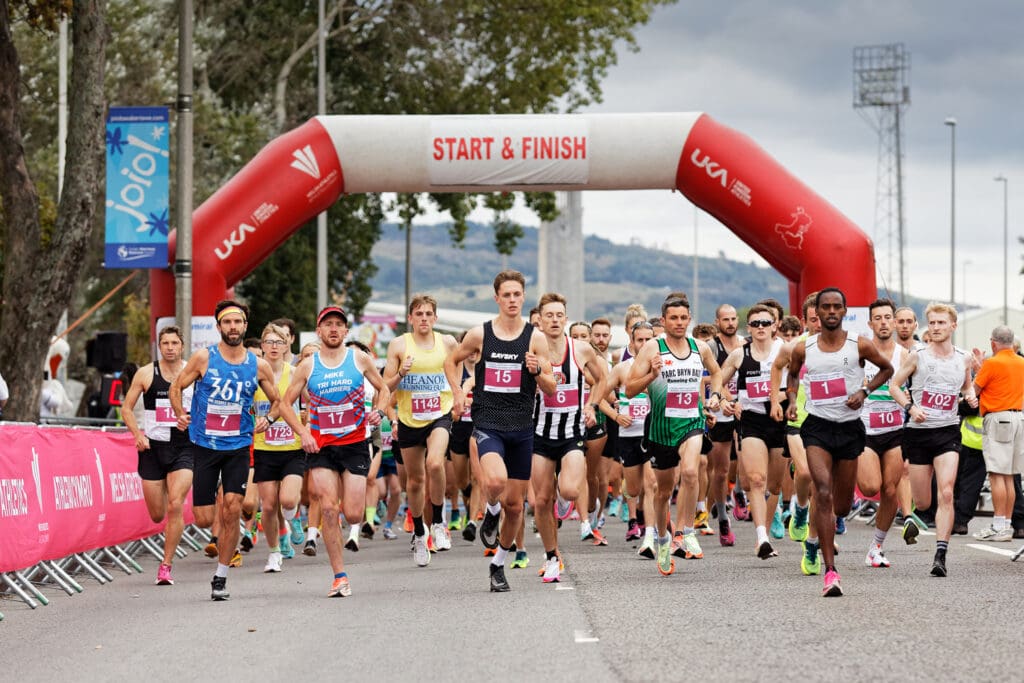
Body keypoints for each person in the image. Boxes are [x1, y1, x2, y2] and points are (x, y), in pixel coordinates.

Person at [170, 300, 314, 601]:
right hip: (205, 444)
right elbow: (176, 387)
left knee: (234, 506)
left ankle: (221, 576)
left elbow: (279, 400)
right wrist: (179, 413)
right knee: (204, 518)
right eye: (227, 323)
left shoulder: (257, 365)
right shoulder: (202, 358)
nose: (233, 327)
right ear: (219, 327)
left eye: (238, 322)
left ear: (245, 326)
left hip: (238, 445)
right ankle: (221, 538)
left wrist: (269, 418)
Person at [775, 288, 893, 596]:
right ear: (818, 313)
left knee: (840, 505)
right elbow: (792, 376)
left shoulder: (860, 345)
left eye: (835, 307)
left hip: (850, 428)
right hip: (817, 428)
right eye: (824, 307)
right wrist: (790, 401)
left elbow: (887, 369)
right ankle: (830, 571)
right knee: (823, 492)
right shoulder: (804, 348)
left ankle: (815, 537)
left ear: (843, 312)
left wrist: (864, 392)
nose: (829, 311)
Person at [443, 270, 556, 593]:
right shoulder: (481, 334)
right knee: (494, 481)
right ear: (497, 298)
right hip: (488, 421)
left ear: (523, 298)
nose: (511, 300)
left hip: (522, 426)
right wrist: (456, 394)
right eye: (506, 295)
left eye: (517, 294)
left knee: (516, 507)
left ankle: (498, 564)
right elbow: (451, 362)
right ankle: (489, 510)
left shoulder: (535, 338)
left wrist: (537, 372)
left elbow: (549, 387)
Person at [283, 306, 390, 597]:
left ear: (345, 331)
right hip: (322, 446)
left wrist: (379, 411)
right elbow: (284, 403)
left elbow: (384, 388)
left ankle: (346, 523)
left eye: (338, 325)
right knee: (329, 508)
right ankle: (339, 576)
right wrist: (303, 432)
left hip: (355, 443)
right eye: (328, 324)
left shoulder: (359, 359)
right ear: (319, 331)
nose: (333, 329)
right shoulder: (308, 365)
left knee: (353, 514)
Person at [625, 294, 722, 576]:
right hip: (660, 429)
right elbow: (630, 389)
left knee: (691, 471)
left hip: (692, 421)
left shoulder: (700, 347)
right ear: (664, 320)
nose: (679, 323)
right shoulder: (652, 348)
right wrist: (651, 375)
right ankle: (663, 538)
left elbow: (716, 373)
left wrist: (714, 396)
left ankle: (685, 531)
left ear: (689, 319)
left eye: (683, 318)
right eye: (673, 318)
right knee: (663, 490)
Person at [888, 303, 977, 578]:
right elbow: (894, 385)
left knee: (947, 492)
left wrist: (970, 396)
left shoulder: (964, 358)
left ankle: (940, 554)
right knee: (923, 501)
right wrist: (910, 408)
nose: (936, 328)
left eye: (941, 323)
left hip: (948, 432)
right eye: (933, 323)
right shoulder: (917, 356)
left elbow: (965, 386)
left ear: (953, 326)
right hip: (918, 433)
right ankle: (916, 514)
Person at [530, 293, 607, 582]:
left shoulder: (581, 349)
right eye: (548, 315)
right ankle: (552, 558)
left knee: (571, 491)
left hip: (572, 430)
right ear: (539, 319)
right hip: (539, 432)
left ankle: (563, 502)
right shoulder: (530, 348)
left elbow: (602, 380)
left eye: (558, 315)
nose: (553, 320)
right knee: (540, 500)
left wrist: (592, 405)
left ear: (566, 318)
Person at [383, 294, 459, 565]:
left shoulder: (447, 342)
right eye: (419, 314)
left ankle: (439, 521)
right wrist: (401, 373)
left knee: (435, 463)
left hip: (439, 415)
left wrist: (456, 395)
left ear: (435, 318)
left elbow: (456, 368)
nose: (424, 318)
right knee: (414, 482)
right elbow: (386, 387)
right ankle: (418, 531)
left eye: (429, 314)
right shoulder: (399, 344)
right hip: (409, 419)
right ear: (411, 318)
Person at [120, 325, 194, 586]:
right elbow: (126, 408)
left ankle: (166, 566)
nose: (170, 348)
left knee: (176, 504)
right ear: (159, 346)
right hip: (153, 449)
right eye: (166, 343)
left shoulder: (192, 372)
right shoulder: (146, 373)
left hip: (185, 447)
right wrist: (137, 435)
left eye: (175, 343)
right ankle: (163, 486)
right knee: (156, 514)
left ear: (182, 346)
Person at [719, 304, 786, 559]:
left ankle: (766, 534)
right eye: (755, 323)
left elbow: (795, 385)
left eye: (765, 323)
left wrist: (779, 397)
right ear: (749, 328)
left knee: (775, 484)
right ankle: (761, 537)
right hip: (751, 420)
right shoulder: (739, 355)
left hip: (778, 420)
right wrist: (726, 400)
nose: (760, 328)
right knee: (756, 480)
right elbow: (719, 379)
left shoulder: (785, 352)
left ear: (774, 326)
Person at [252, 323, 307, 573]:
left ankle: (292, 514)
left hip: (292, 446)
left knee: (286, 500)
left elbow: (312, 400)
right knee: (268, 506)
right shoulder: (252, 373)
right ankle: (274, 552)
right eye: (269, 342)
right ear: (262, 346)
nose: (274, 347)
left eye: (279, 342)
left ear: (287, 346)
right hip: (264, 447)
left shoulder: (295, 372)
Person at [856, 298, 908, 567]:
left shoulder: (905, 355)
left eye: (888, 317)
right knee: (870, 486)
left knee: (890, 490)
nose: (884, 322)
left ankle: (876, 546)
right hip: (865, 430)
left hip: (894, 431)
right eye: (878, 318)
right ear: (870, 323)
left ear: (895, 322)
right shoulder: (860, 352)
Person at [970, 325, 1024, 541]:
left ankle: (999, 526)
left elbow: (974, 390)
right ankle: (1006, 524)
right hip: (1019, 417)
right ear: (1012, 342)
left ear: (993, 342)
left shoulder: (992, 363)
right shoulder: (1021, 362)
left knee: (996, 474)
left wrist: (978, 367)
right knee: (1010, 475)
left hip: (998, 418)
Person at [608, 321, 657, 554]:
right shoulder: (621, 369)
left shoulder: (662, 368)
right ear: (633, 342)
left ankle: (649, 536)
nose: (645, 344)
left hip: (653, 434)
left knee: (652, 483)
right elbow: (598, 397)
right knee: (635, 489)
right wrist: (616, 416)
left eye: (649, 340)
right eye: (640, 340)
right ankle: (639, 515)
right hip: (628, 435)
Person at [708, 304, 744, 545]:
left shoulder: (745, 344)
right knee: (720, 470)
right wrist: (724, 400)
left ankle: (740, 491)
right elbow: (712, 379)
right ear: (717, 321)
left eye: (733, 319)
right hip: (721, 411)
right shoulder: (712, 346)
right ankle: (722, 517)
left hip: (744, 410)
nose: (730, 323)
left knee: (746, 462)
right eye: (725, 320)